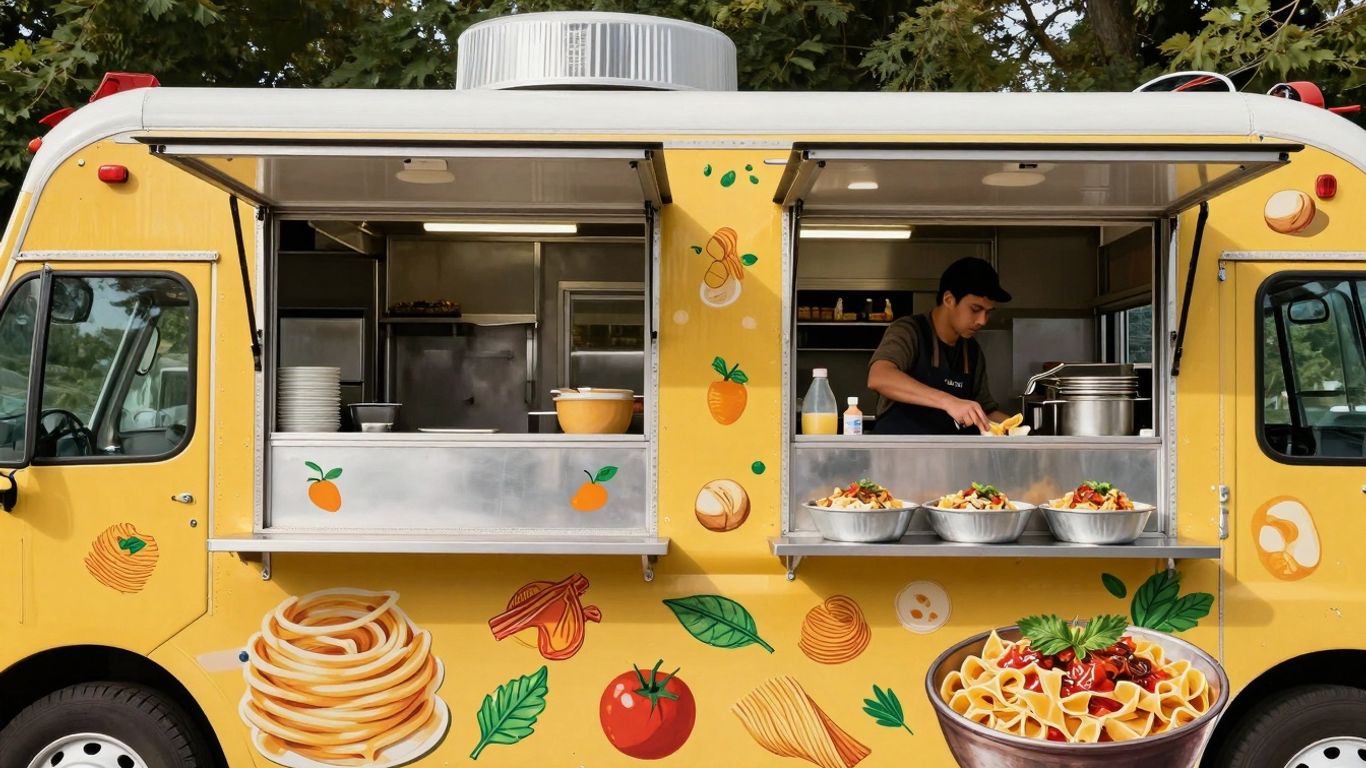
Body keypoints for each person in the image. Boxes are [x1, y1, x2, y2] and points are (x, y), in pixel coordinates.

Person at [867, 257, 1012, 435]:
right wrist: (949, 402)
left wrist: (1021, 432)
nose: (982, 321)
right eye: (975, 309)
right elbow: (879, 377)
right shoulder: (909, 331)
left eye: (988, 313)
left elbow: (985, 412)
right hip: (899, 457)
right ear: (949, 299)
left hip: (949, 459)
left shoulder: (971, 350)